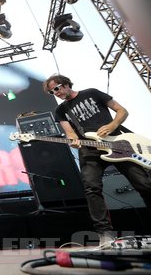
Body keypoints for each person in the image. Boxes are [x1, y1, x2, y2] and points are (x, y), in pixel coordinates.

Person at [43, 74, 151, 246]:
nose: (55, 93)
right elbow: (70, 133)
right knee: (92, 189)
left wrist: (112, 126)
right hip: (90, 151)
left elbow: (122, 111)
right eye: (51, 92)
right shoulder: (61, 111)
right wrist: (74, 141)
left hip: (118, 145)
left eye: (56, 88)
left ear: (66, 84)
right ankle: (105, 234)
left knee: (144, 184)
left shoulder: (92, 93)